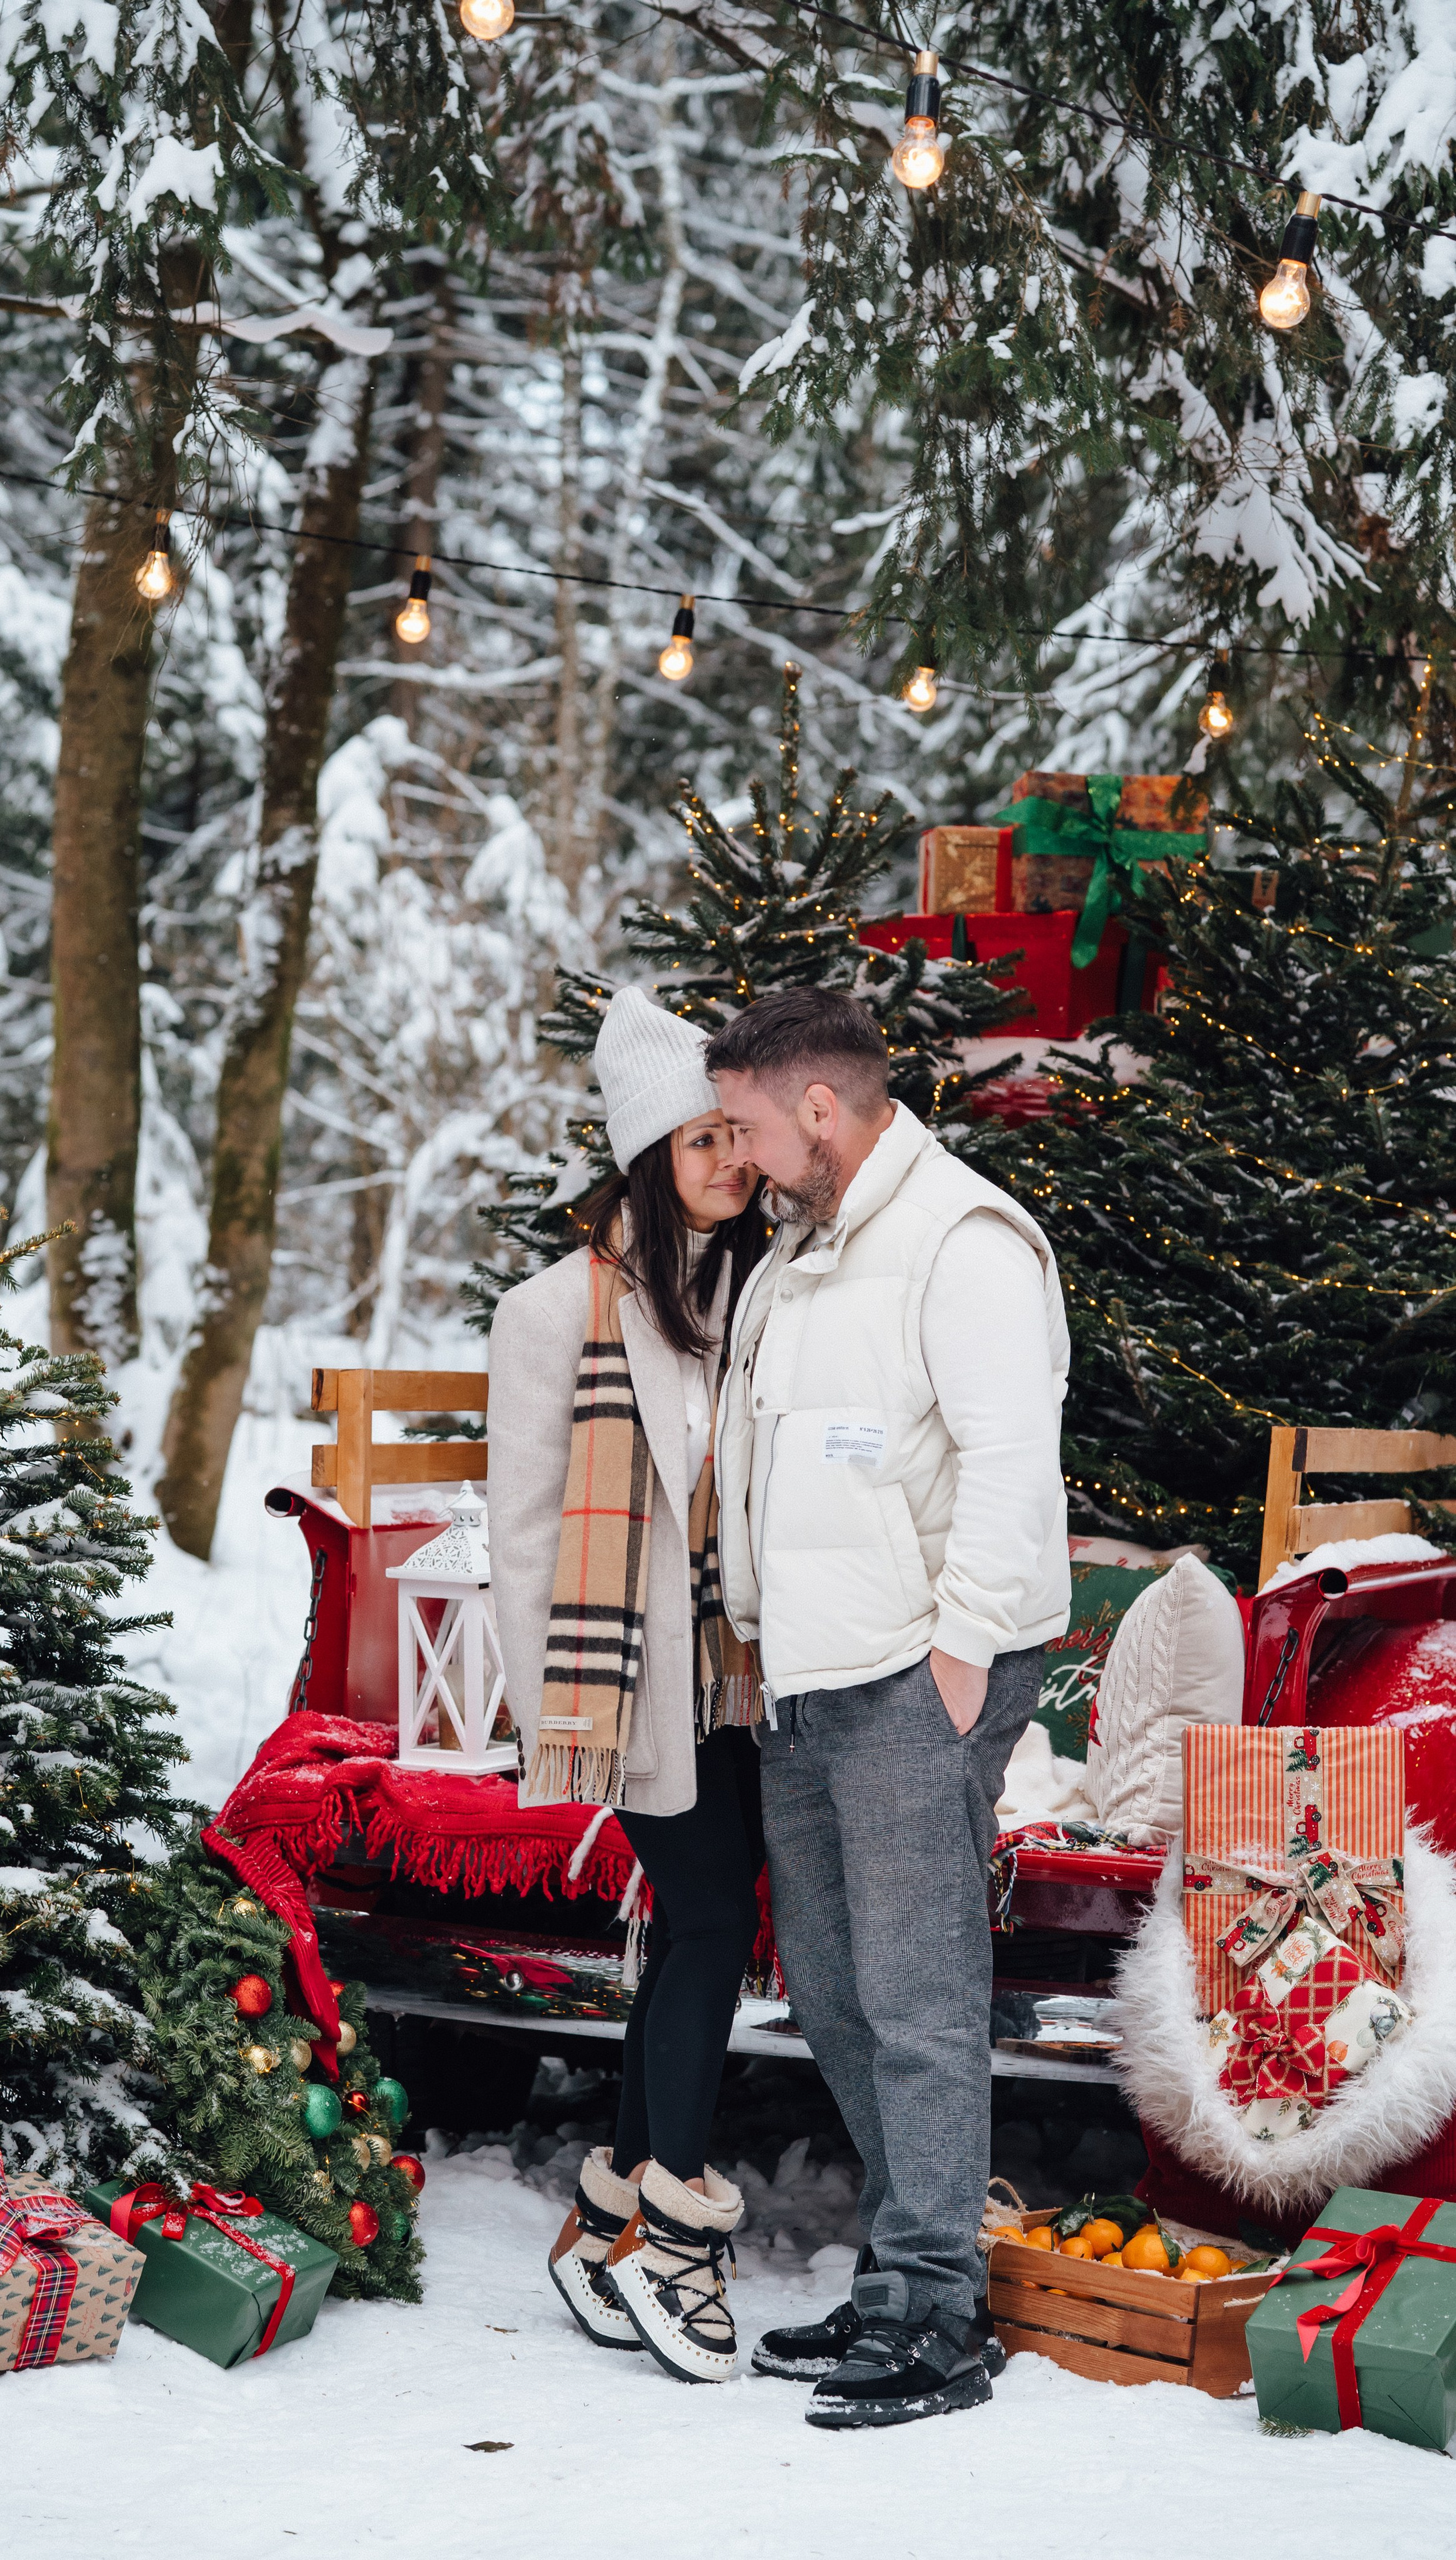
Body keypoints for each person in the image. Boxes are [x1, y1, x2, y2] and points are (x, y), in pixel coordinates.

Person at [705, 985, 1071, 2430]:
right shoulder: (808, 1252)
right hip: (808, 1672)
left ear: (815, 1108)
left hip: (915, 1673)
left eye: (742, 1124)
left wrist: (963, 1659)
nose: (729, 1155)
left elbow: (1007, 1460)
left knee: (916, 1997)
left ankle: (936, 2311)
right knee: (836, 1990)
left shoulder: (958, 1241)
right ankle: (901, 2272)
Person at [489, 987, 771, 2383]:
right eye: (703, 1138)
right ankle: (670, 2226)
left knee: (694, 1924)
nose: (731, 1160)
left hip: (738, 1672)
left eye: (741, 1135)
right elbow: (528, 1531)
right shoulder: (552, 1313)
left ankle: (605, 2210)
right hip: (629, 1683)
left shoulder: (757, 1289)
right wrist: (565, 1708)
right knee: (712, 1916)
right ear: (649, 1150)